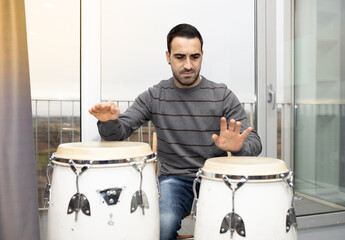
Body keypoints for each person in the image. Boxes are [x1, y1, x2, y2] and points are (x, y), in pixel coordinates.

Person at [89, 23, 262, 240]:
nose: (188, 65)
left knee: (247, 226)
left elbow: (254, 142)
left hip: (217, 179)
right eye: (180, 57)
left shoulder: (222, 95)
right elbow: (118, 132)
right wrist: (108, 122)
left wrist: (239, 147)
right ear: (168, 56)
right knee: (163, 224)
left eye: (195, 57)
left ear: (202, 55)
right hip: (174, 180)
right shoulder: (154, 96)